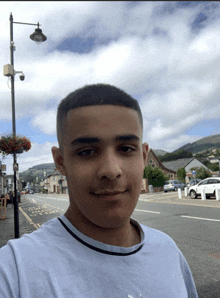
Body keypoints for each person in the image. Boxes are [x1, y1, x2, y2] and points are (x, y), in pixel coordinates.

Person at [0, 84, 198, 298]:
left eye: (125, 149)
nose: (111, 171)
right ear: (61, 161)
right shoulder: (13, 272)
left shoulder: (168, 252)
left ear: (143, 157)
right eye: (87, 152)